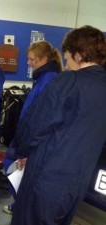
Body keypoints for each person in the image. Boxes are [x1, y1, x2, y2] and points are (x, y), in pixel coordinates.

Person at [10, 25, 106, 225]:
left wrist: (21, 152)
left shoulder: (68, 82)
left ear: (79, 55)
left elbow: (35, 125)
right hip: (77, 181)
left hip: (47, 176)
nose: (66, 62)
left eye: (68, 57)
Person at [2, 40, 64, 214]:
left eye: (31, 59)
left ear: (43, 59)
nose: (28, 63)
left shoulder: (49, 80)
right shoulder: (42, 77)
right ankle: (21, 205)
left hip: (33, 138)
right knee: (15, 169)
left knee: (13, 167)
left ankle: (23, 206)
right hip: (27, 134)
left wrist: (26, 149)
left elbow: (42, 117)